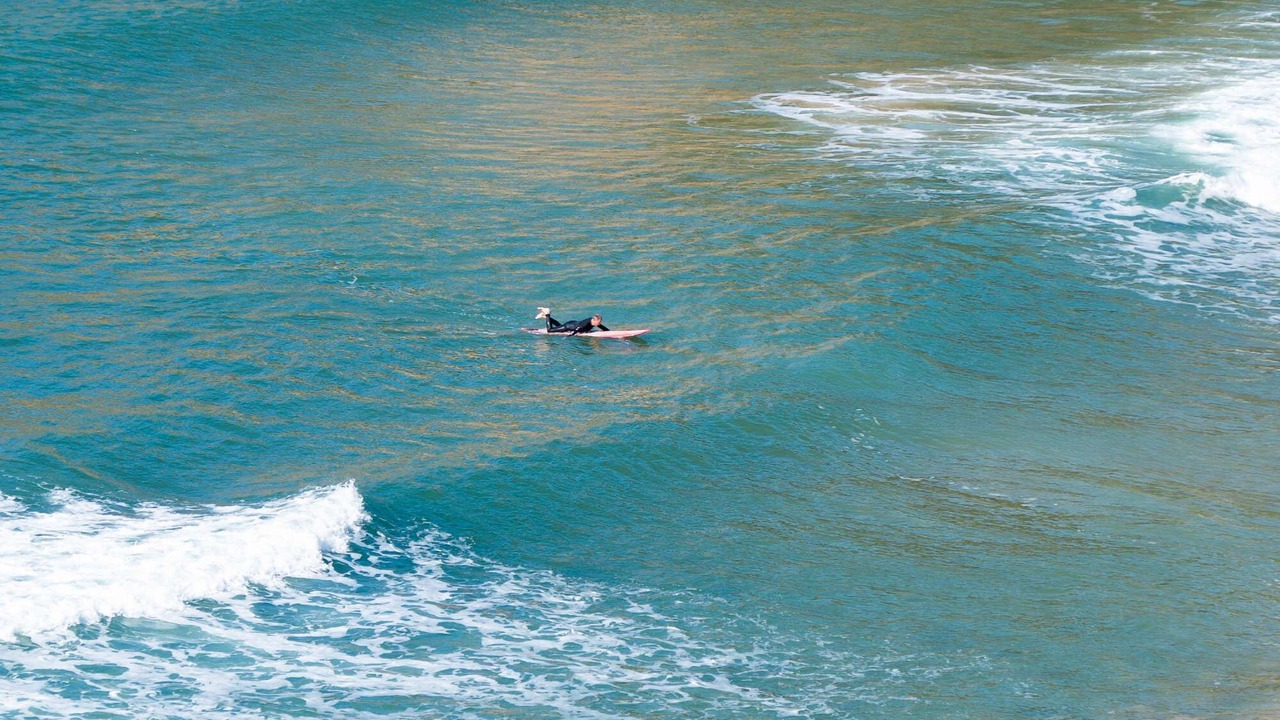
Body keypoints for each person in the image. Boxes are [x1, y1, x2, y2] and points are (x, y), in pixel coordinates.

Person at [536, 307, 609, 335]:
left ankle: (546, 317)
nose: (600, 323)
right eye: (599, 322)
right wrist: (570, 335)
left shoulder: (595, 322)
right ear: (594, 320)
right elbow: (577, 329)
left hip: (573, 323)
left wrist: (609, 332)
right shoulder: (586, 323)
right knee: (550, 330)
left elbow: (603, 328)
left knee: (559, 326)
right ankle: (547, 313)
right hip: (568, 326)